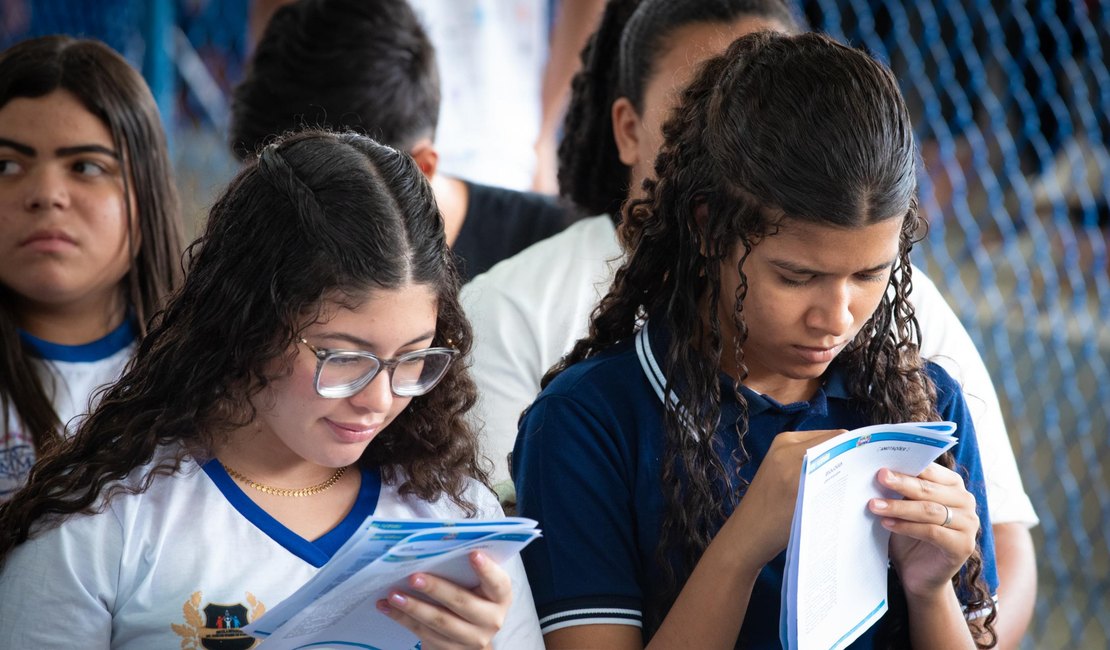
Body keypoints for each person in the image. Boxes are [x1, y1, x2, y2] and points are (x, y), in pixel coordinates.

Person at [460, 2, 1036, 644]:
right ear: (708, 229)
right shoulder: (590, 421)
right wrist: (743, 544)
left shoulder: (923, 404)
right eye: (796, 277)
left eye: (871, 276)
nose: (836, 317)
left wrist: (931, 590)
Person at [0, 130, 543, 649]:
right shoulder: (104, 519)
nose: (379, 400)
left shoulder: (458, 520)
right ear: (248, 324)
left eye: (413, 358)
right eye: (345, 358)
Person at [232, 0, 576, 281]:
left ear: (422, 168)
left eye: (319, 199)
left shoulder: (559, 261)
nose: (290, 221)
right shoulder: (269, 247)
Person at [0, 35, 185, 500]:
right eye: (5, 166)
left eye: (85, 166)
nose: (46, 193)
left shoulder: (220, 374)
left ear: (146, 193)